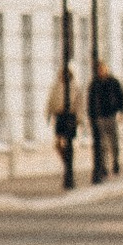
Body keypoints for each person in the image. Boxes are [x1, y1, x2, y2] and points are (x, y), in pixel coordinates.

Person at [87, 58, 123, 181]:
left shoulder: (113, 82)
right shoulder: (94, 84)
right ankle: (103, 167)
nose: (101, 71)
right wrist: (91, 116)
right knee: (102, 144)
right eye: (99, 69)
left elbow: (121, 97)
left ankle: (115, 163)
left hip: (111, 115)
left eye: (102, 69)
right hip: (99, 116)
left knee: (114, 142)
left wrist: (122, 111)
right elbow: (90, 101)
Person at [48, 61, 80, 193]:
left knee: (69, 143)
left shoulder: (74, 87)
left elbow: (79, 103)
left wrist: (79, 118)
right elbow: (51, 100)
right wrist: (49, 114)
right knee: (59, 144)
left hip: (70, 117)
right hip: (60, 117)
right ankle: (67, 164)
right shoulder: (56, 86)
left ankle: (69, 172)